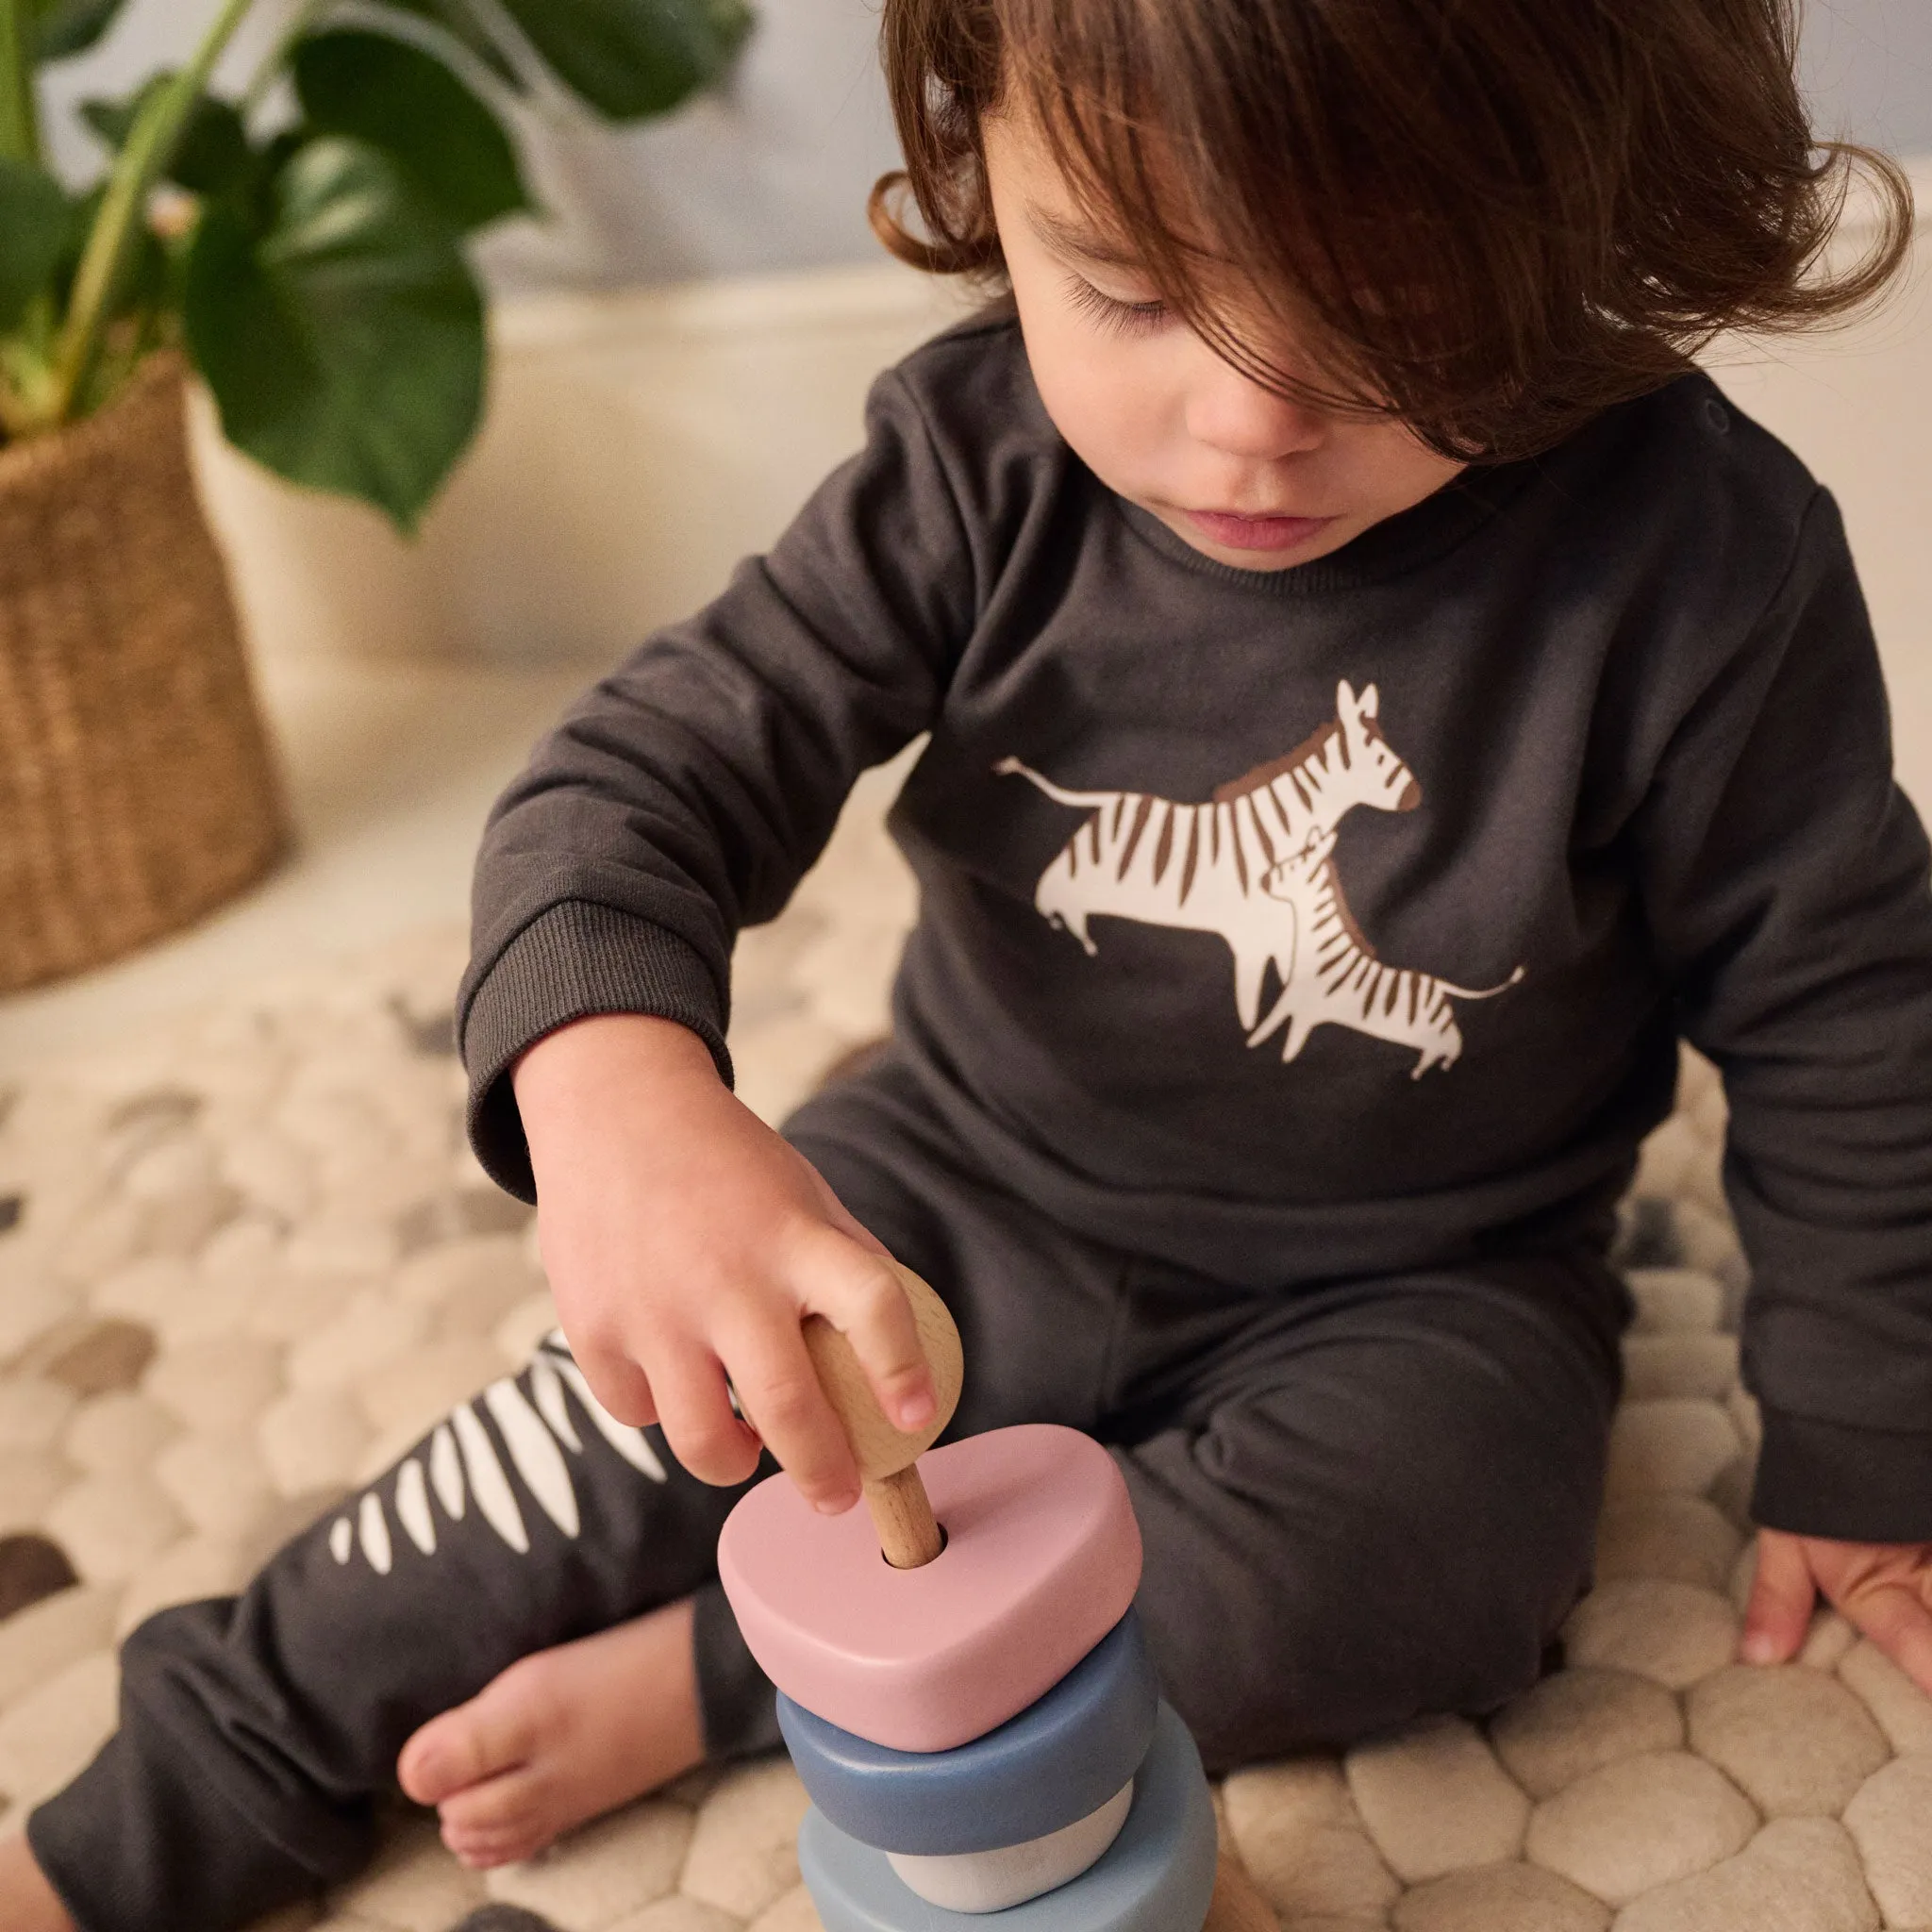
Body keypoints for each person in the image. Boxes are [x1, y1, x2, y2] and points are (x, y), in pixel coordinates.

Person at [7, 0, 1930, 1924]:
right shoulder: (970, 462)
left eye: (1403, 314)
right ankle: (128, 1834)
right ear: (978, 160)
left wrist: (1860, 1431)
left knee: (1409, 1574)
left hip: (1422, 1281)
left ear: (1587, 217)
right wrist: (616, 1091)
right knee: (544, 1476)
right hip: (950, 1183)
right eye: (1133, 289)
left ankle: (744, 1670)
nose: (1255, 417)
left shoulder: (1705, 562)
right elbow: (644, 773)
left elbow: (1847, 1004)